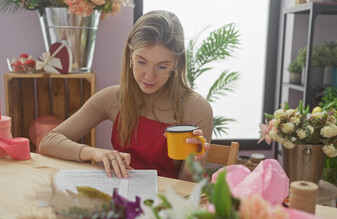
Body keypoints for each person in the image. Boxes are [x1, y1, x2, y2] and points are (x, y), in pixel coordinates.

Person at [40, 10, 213, 181]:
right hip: (121, 199)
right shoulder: (112, 98)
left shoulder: (196, 109)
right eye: (141, 62)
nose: (149, 76)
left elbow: (188, 191)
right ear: (130, 54)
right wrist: (95, 152)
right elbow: (48, 142)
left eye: (161, 66)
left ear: (177, 62)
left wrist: (193, 167)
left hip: (168, 203)